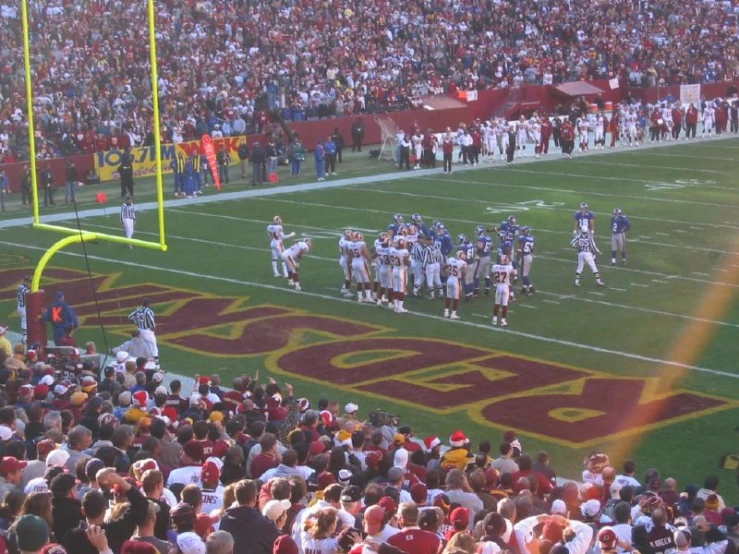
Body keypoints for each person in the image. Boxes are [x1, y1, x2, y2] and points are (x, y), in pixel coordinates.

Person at [128, 298, 158, 363]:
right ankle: (156, 365)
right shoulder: (148, 311)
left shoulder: (138, 309)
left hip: (139, 330)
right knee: (153, 348)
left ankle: (141, 363)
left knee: (142, 347)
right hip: (147, 331)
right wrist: (153, 328)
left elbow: (130, 316)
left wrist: (136, 323)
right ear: (148, 304)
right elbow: (152, 323)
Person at [491, 255, 515, 327]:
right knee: (505, 304)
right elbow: (513, 274)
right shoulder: (509, 267)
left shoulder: (495, 267)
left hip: (498, 286)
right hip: (505, 287)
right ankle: (503, 320)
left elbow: (491, 275)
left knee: (497, 303)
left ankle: (494, 319)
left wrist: (493, 282)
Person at [16, 275, 30, 346]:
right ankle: (25, 338)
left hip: (19, 306)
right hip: (24, 307)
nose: (29, 283)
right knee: (25, 322)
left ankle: (25, 336)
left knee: (23, 321)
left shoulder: (19, 287)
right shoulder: (26, 290)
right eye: (28, 282)